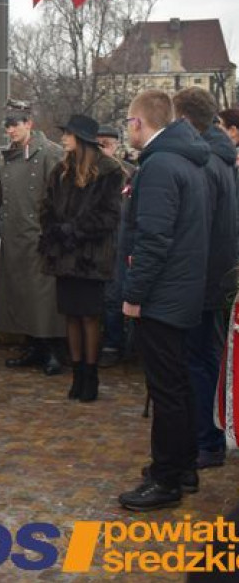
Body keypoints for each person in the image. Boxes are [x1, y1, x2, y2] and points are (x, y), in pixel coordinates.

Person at [117, 89, 209, 512]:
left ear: (138, 123)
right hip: (182, 291)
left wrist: (134, 294)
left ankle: (166, 477)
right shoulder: (187, 160)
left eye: (128, 123)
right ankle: (183, 465)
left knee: (166, 389)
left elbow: (153, 239)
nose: (127, 131)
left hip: (162, 296)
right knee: (179, 384)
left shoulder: (159, 166)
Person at [38, 115, 124, 402]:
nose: (63, 138)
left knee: (89, 316)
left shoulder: (110, 170)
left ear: (82, 138)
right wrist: (55, 230)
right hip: (64, 255)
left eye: (68, 134)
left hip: (91, 256)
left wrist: (75, 230)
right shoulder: (61, 170)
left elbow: (110, 216)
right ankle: (77, 375)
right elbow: (46, 206)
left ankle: (91, 376)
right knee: (71, 315)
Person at [174, 87, 237, 471]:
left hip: (204, 278)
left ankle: (208, 440)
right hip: (216, 274)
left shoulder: (207, 161)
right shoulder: (220, 156)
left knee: (200, 361)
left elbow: (199, 228)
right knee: (206, 357)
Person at [0, 100, 66, 375]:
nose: (10, 130)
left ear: (29, 124)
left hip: (41, 237)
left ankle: (52, 351)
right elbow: (0, 192)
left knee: (43, 299)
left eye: (15, 124)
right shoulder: (10, 156)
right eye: (7, 125)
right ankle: (33, 347)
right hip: (14, 237)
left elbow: (61, 198)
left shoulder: (50, 153)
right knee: (21, 295)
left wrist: (53, 235)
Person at [95, 124, 136, 369]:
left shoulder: (129, 172)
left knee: (115, 294)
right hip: (95, 240)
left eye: (107, 144)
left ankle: (114, 343)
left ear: (116, 146)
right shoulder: (88, 171)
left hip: (119, 241)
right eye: (98, 144)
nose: (102, 149)